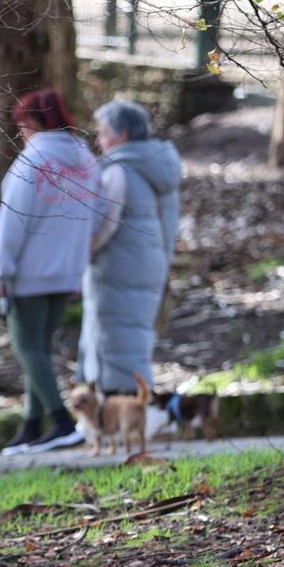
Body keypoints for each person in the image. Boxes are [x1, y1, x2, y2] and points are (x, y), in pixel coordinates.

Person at [0, 88, 106, 455]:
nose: (21, 134)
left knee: (28, 349)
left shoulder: (32, 162)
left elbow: (12, 223)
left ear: (34, 123)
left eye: (22, 126)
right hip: (67, 272)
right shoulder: (86, 161)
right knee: (38, 349)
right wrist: (76, 266)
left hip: (28, 274)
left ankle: (61, 422)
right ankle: (30, 426)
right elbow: (97, 216)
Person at [78, 100, 182, 396]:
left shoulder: (119, 170)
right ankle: (136, 415)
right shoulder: (158, 166)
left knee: (116, 344)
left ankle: (122, 418)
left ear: (122, 135)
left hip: (118, 269)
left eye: (103, 132)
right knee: (136, 341)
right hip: (151, 266)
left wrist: (80, 254)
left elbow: (102, 225)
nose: (98, 140)